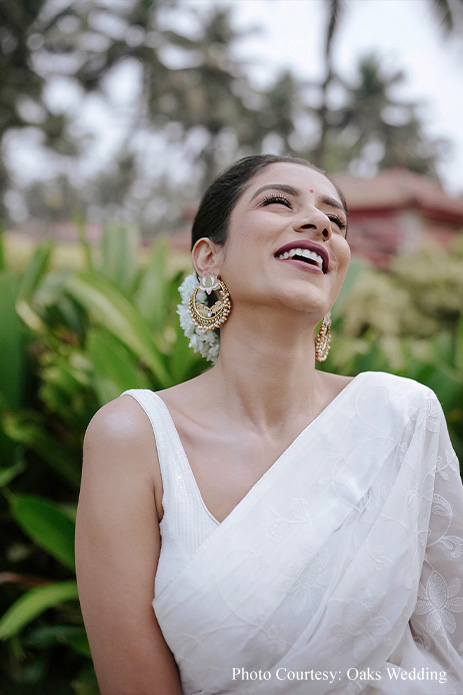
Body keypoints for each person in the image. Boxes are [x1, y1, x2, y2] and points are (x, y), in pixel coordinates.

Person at [75, 155, 463, 695]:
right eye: (279, 202)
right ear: (208, 256)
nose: (320, 223)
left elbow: (449, 641)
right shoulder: (135, 437)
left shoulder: (402, 416)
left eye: (336, 220)